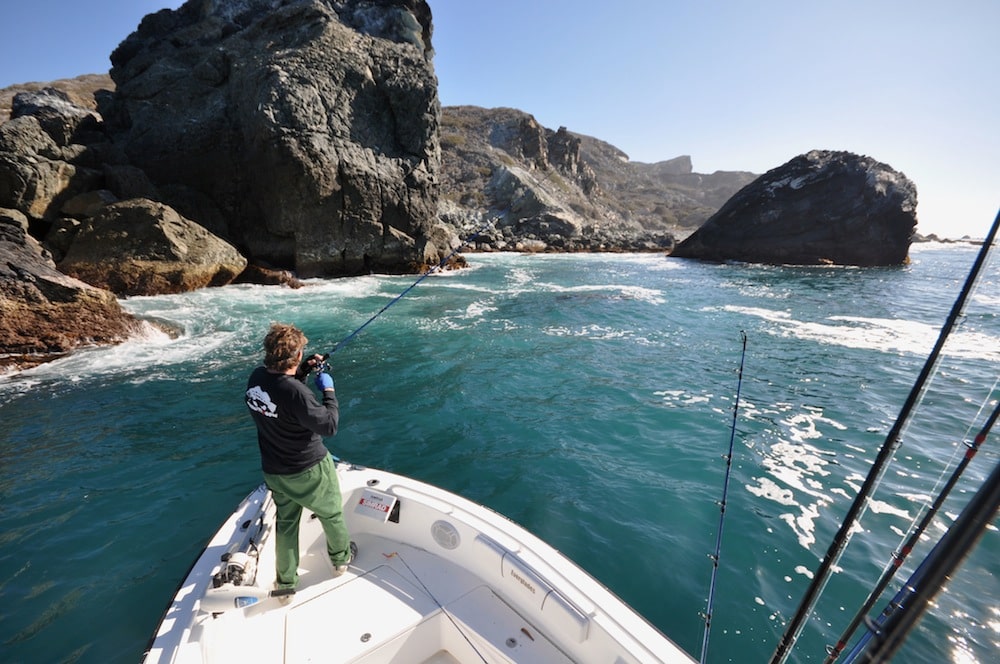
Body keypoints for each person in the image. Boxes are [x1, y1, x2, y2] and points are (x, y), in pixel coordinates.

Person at [245, 323, 356, 591]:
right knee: (331, 515)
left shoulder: (257, 379)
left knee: (286, 523)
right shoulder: (297, 393)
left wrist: (303, 370)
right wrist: (328, 391)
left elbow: (283, 398)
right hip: (309, 470)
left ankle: (285, 583)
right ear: (294, 356)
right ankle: (341, 559)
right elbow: (328, 426)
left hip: (275, 470)